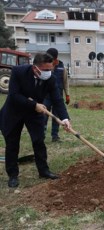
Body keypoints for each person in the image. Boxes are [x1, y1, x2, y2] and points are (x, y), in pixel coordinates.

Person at [0, 53, 72, 188]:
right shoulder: (18, 72)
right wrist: (34, 105)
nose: (49, 73)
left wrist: (64, 118)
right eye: (46, 70)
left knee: (39, 140)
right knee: (12, 143)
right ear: (35, 68)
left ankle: (43, 171)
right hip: (14, 111)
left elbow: (57, 99)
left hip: (34, 113)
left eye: (51, 69)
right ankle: (13, 175)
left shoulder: (50, 78)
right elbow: (14, 95)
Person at [43, 48, 70, 142]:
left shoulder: (62, 67)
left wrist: (67, 94)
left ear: (55, 58)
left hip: (58, 95)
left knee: (57, 116)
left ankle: (55, 136)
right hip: (46, 96)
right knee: (44, 115)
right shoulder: (45, 65)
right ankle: (42, 135)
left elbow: (65, 82)